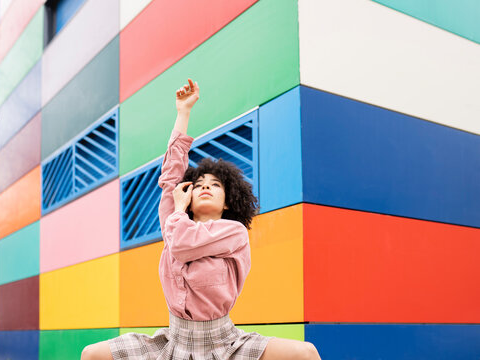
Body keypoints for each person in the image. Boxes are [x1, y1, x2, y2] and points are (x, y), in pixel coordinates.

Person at [81, 79, 322, 359]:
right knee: (92, 354)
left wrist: (179, 211)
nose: (206, 186)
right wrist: (183, 112)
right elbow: (171, 174)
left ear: (229, 200)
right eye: (199, 184)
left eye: (216, 185)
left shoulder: (233, 233)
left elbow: (183, 245)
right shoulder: (175, 221)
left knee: (305, 352)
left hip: (225, 342)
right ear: (188, 193)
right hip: (173, 339)